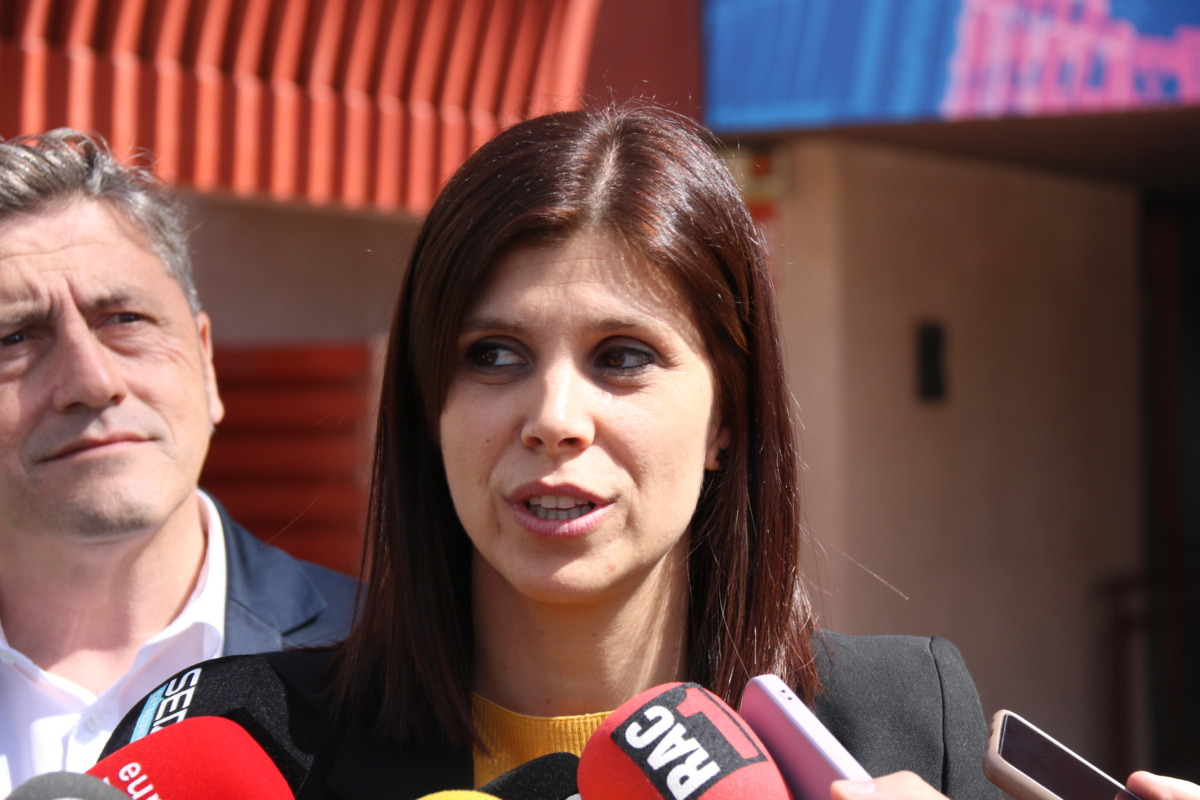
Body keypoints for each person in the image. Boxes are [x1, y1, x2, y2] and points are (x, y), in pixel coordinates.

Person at [100, 103, 1200, 800]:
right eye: (493, 355)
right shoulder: (243, 745)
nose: (554, 417)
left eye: (622, 356)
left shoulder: (901, 717)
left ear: (727, 419)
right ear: (430, 406)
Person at [0, 129, 358, 794]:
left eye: (125, 319)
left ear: (206, 362)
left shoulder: (392, 663)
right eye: (15, 338)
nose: (92, 382)